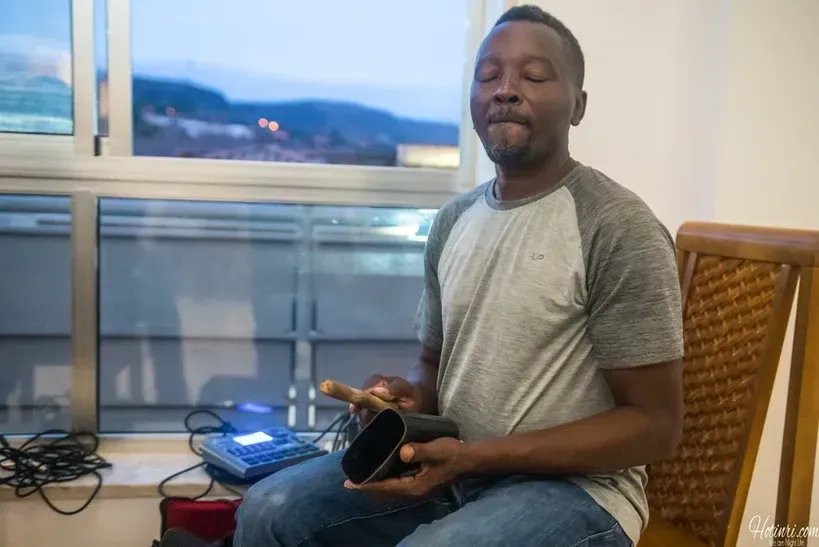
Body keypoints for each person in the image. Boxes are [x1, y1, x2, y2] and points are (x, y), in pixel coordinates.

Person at [233, 5, 684, 547]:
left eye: (535, 75)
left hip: (577, 493)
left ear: (578, 106)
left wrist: (473, 457)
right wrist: (403, 402)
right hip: (456, 470)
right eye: (488, 75)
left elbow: (655, 427)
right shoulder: (453, 222)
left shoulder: (615, 224)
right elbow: (433, 374)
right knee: (269, 508)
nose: (506, 90)